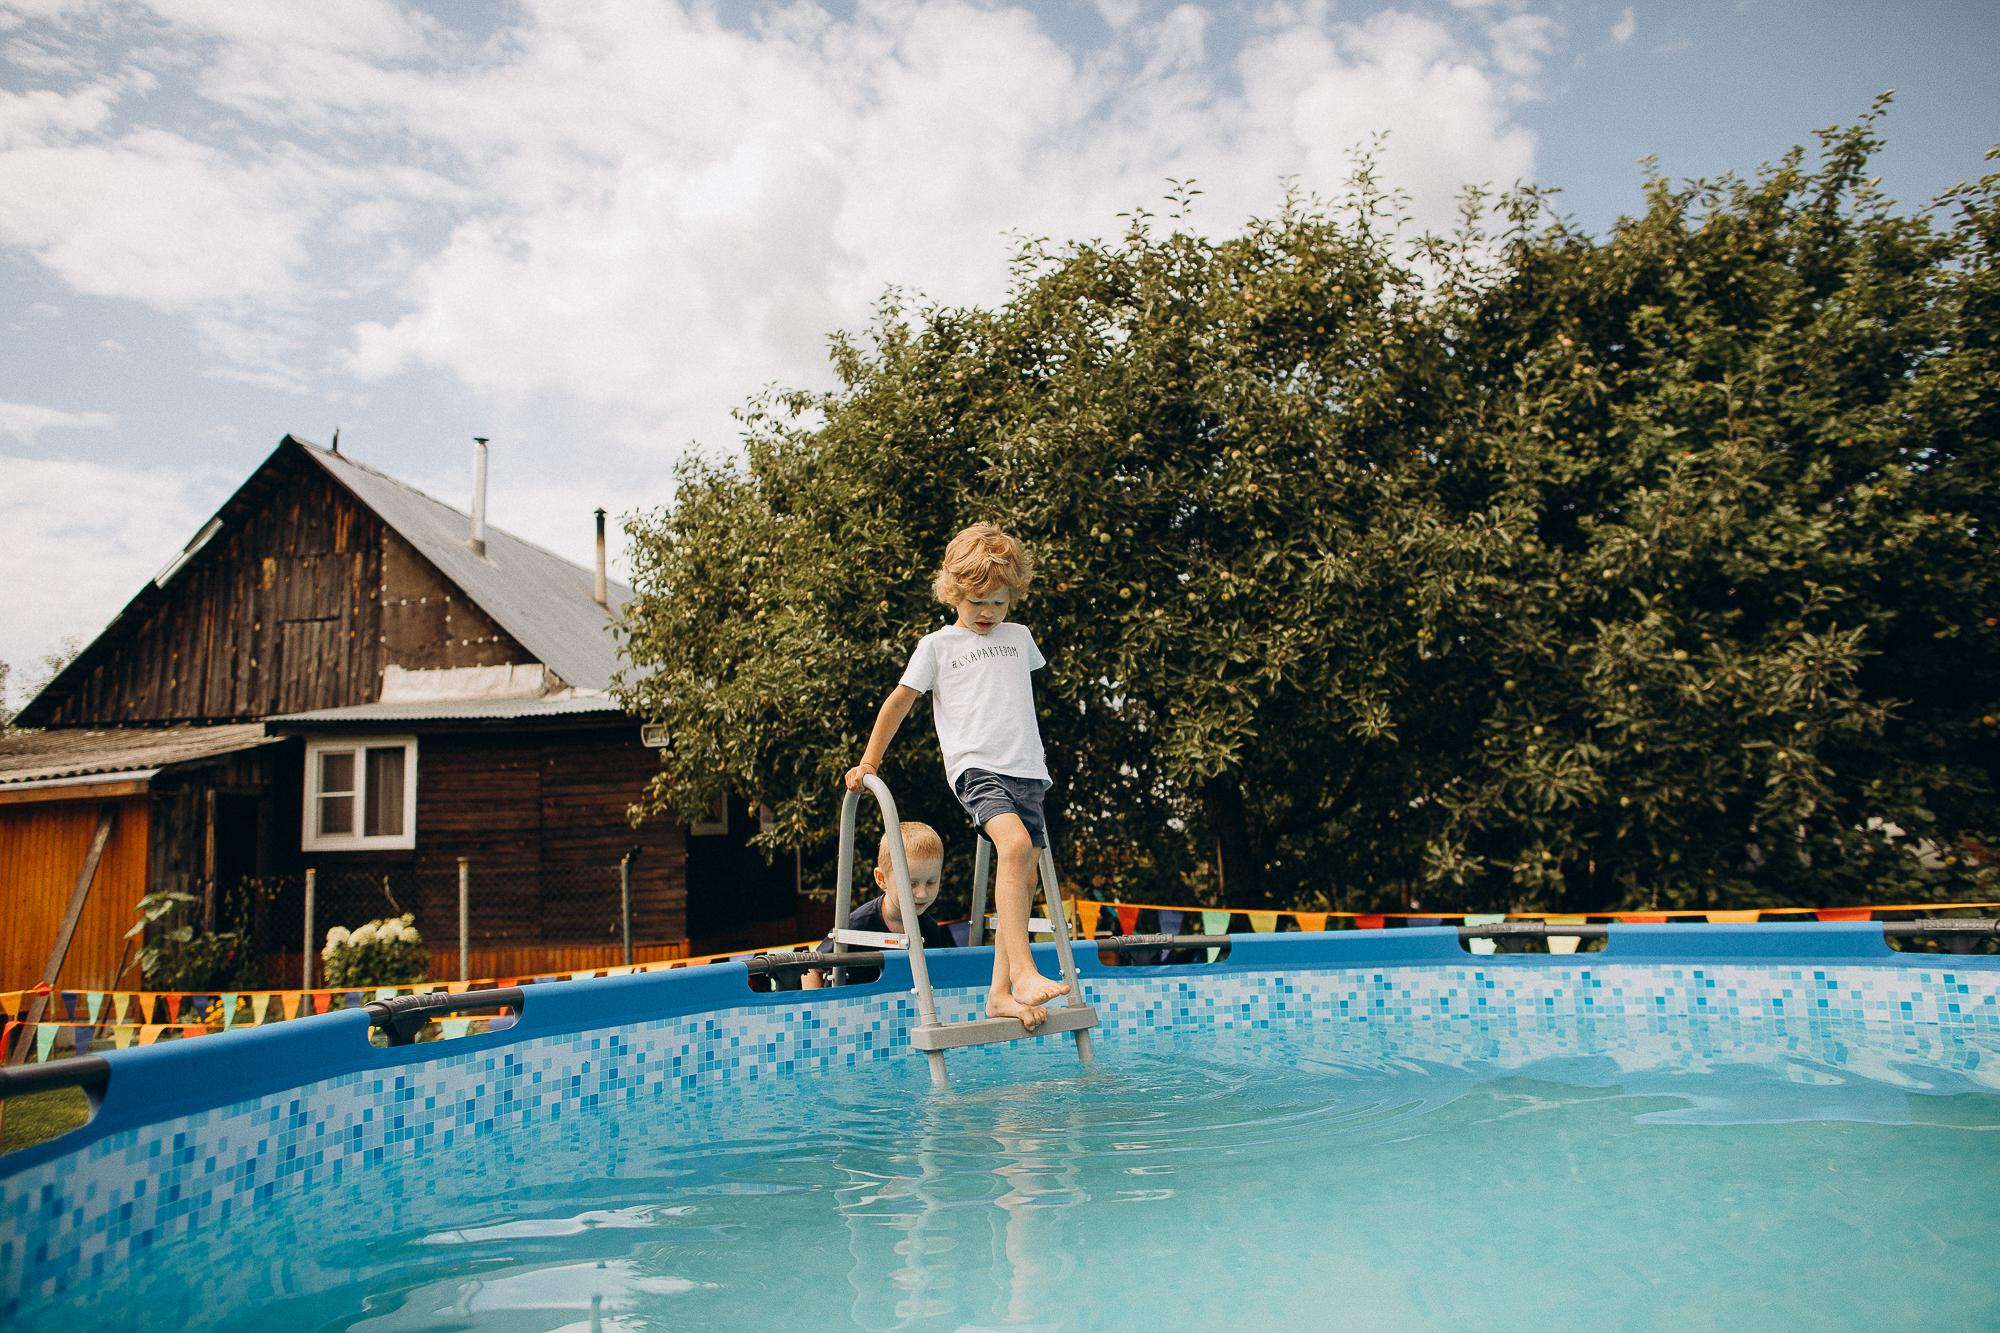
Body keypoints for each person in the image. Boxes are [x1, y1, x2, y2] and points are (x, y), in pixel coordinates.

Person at [845, 522, 1071, 1031]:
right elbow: (899, 702)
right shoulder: (938, 645)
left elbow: (1013, 697)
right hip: (978, 767)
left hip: (1028, 771)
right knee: (1012, 848)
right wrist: (870, 761)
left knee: (1022, 875)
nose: (988, 612)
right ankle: (1024, 972)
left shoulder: (1021, 638)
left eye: (998, 601)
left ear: (1013, 595)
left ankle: (998, 996)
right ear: (952, 593)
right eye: (976, 602)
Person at [800, 821, 955, 989]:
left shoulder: (929, 928)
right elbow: (812, 968)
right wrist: (819, 1012)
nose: (922, 894)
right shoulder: (856, 926)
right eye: (911, 884)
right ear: (881, 879)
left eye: (931, 882)